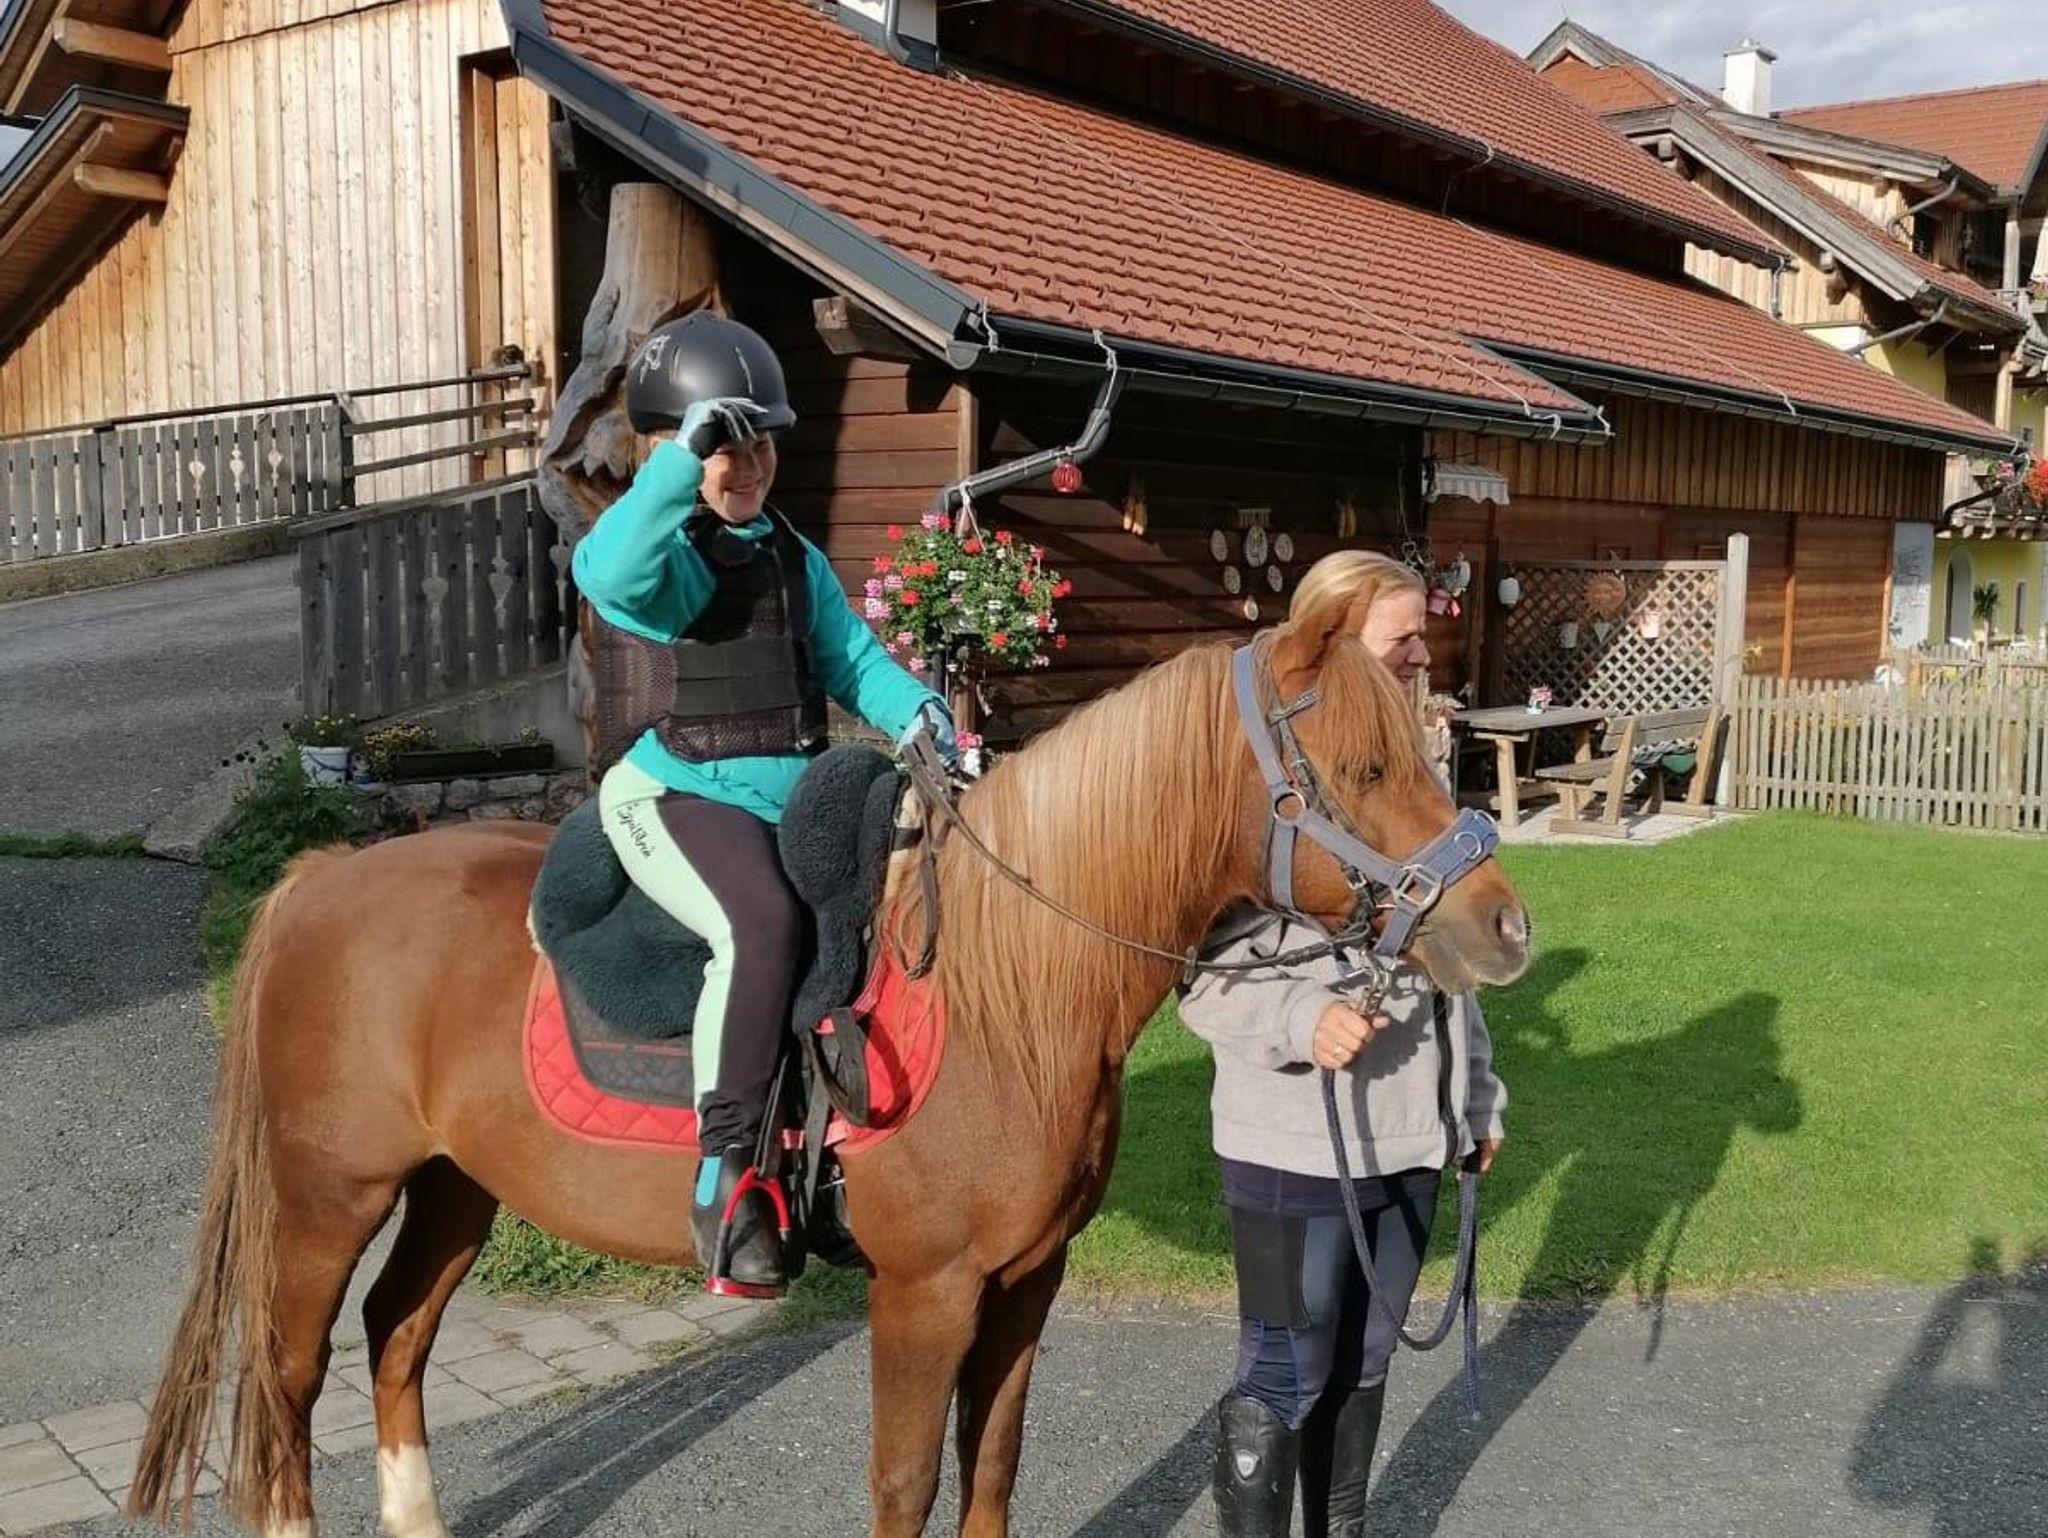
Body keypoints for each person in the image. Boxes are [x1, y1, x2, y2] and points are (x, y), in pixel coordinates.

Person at [571, 311, 956, 1295]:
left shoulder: (792, 554)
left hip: (785, 802)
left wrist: (922, 716)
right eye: (724, 447)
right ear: (677, 450)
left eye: (761, 445)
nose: (747, 465)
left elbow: (854, 661)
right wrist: (679, 464)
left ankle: (836, 1154)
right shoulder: (672, 556)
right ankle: (725, 1178)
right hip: (676, 792)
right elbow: (606, 572)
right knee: (761, 925)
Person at [1179, 550, 1506, 1537]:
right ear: (1336, 639)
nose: (1422, 653)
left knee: (1364, 1363)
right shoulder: (1256, 781)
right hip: (1286, 1149)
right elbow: (1195, 972)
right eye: (1402, 635)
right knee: (1283, 1365)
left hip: (1408, 1138)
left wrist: (1474, 1100)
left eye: (1422, 634)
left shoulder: (1410, 766)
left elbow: (1449, 956)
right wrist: (1297, 1018)